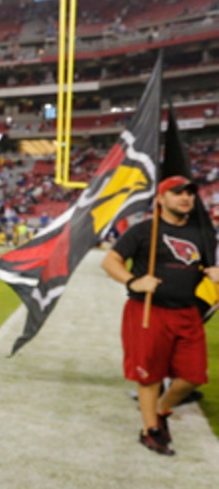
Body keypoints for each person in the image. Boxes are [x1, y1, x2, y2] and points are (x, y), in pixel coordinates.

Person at [101, 175, 219, 456]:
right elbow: (110, 261)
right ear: (160, 199)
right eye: (177, 192)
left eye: (189, 193)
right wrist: (133, 282)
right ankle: (150, 430)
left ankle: (160, 410)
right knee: (149, 375)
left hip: (187, 312)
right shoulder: (144, 231)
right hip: (148, 311)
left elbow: (207, 267)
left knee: (193, 377)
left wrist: (213, 272)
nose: (185, 197)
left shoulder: (202, 233)